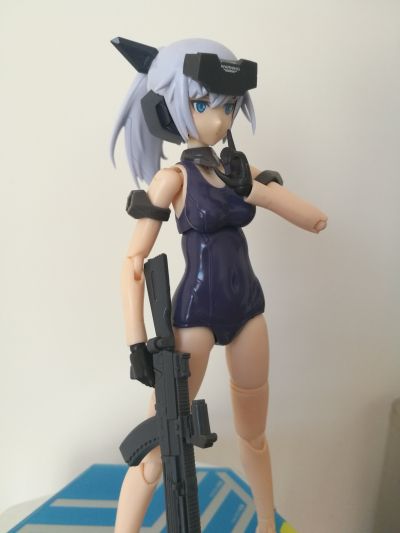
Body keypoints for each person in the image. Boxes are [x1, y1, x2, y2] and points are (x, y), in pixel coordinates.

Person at [110, 36, 327, 533]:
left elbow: (315, 219)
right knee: (159, 444)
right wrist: (136, 342)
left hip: (248, 309)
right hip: (195, 317)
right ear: (170, 106)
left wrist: (256, 189)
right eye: (202, 103)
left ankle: (267, 522)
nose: (219, 119)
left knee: (254, 436)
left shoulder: (239, 170)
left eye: (229, 106)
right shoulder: (172, 180)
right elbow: (133, 261)